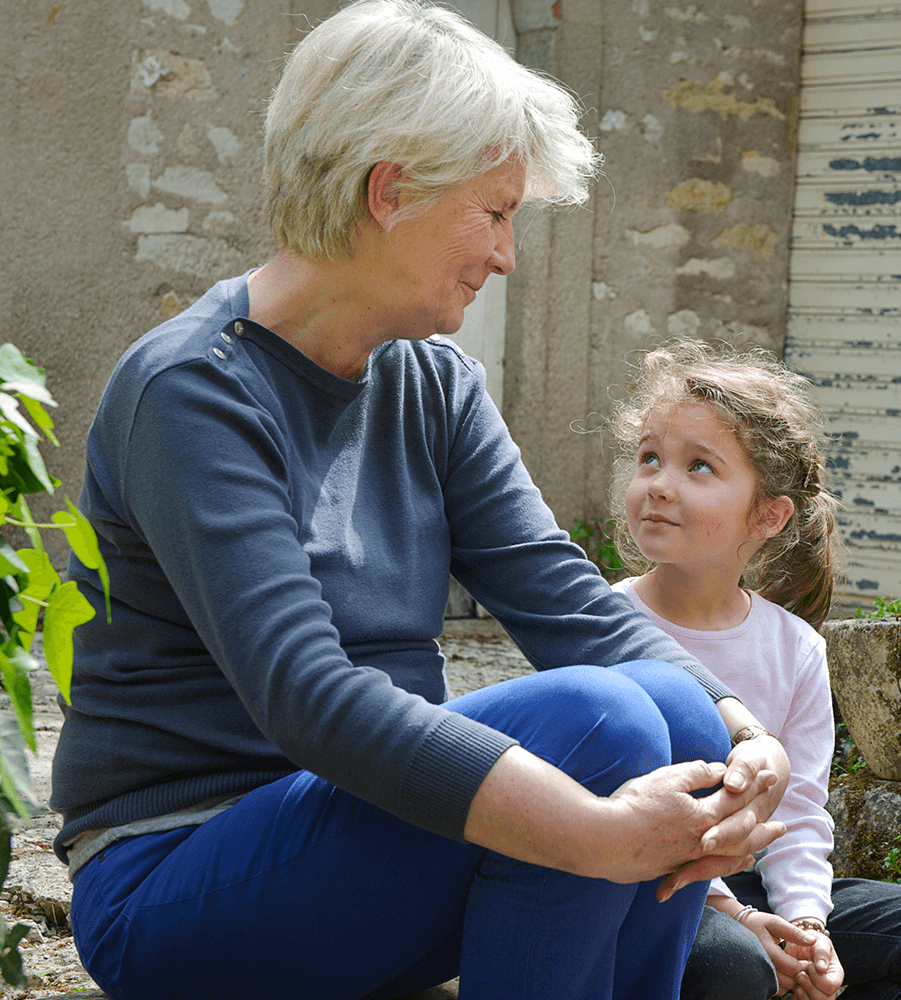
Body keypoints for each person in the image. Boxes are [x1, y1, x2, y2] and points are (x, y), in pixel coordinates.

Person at [48, 5, 791, 999]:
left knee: (672, 710)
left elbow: (558, 592)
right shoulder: (192, 390)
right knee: (604, 721)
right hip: (181, 870)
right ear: (390, 191)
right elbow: (310, 697)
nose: (507, 256)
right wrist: (599, 833)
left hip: (373, 834)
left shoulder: (432, 381)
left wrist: (741, 727)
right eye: (495, 213)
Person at [604, 340, 901, 1000]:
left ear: (767, 515)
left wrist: (807, 924)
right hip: (647, 884)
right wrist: (741, 919)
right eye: (649, 458)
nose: (658, 484)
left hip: (752, 882)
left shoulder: (794, 648)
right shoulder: (602, 620)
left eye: (698, 466)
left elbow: (799, 812)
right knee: (733, 966)